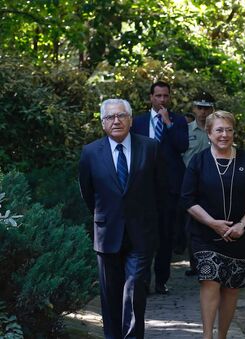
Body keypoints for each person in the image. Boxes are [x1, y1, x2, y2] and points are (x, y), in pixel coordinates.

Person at [79, 98, 167, 338]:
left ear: (130, 119)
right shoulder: (90, 152)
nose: (115, 121)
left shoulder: (150, 147)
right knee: (110, 295)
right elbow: (88, 192)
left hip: (141, 234)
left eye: (121, 116)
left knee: (135, 288)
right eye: (109, 117)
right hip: (107, 233)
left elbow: (161, 190)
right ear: (102, 123)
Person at [180, 111, 245, 339]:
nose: (224, 135)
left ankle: (222, 335)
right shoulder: (198, 161)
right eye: (219, 130)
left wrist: (242, 226)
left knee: (231, 287)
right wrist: (212, 223)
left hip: (240, 236)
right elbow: (187, 199)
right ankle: (207, 336)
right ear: (209, 133)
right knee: (210, 280)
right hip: (205, 235)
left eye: (228, 130)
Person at [131, 81, 189, 294]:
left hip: (169, 187)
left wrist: (168, 124)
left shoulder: (178, 120)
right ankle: (143, 280)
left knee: (165, 236)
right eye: (158, 96)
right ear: (151, 97)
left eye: (166, 96)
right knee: (144, 236)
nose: (162, 100)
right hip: (143, 187)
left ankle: (161, 280)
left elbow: (182, 146)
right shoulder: (137, 122)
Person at [180, 91, 215, 276]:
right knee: (191, 226)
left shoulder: (218, 130)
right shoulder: (185, 131)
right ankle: (195, 264)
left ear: (212, 109)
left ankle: (212, 260)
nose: (202, 112)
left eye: (206, 108)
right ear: (194, 109)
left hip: (214, 185)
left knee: (214, 222)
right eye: (199, 108)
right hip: (191, 185)